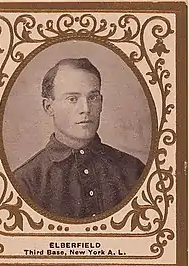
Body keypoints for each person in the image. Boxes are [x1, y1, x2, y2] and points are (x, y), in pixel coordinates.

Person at [14, 58, 145, 219]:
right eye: (72, 99)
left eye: (93, 97)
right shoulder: (25, 182)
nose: (86, 109)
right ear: (49, 107)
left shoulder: (134, 170)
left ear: (101, 102)